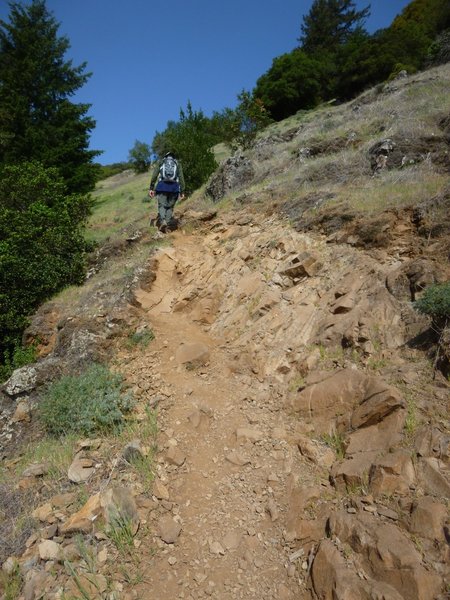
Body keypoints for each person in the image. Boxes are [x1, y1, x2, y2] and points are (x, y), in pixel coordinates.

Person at [148, 152, 185, 232]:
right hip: (174, 187)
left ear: (166, 156)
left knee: (162, 206)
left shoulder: (161, 162)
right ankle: (167, 225)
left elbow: (154, 175)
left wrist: (151, 187)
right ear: (173, 157)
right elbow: (181, 177)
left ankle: (163, 221)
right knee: (170, 207)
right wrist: (182, 190)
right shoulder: (177, 163)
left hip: (162, 186)